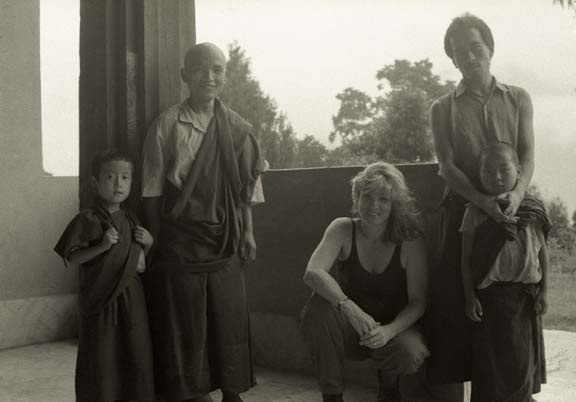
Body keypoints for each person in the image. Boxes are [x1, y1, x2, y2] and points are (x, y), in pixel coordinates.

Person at [141, 42, 264, 402]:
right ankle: (193, 391)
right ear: (184, 76)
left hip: (227, 236)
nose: (209, 77)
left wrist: (249, 233)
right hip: (181, 238)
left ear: (225, 75)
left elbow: (246, 189)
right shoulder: (167, 125)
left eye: (217, 70)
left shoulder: (239, 128)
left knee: (230, 317)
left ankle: (232, 389)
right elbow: (151, 191)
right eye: (199, 69)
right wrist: (153, 242)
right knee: (187, 320)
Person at [428, 13, 536, 385]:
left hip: (513, 209)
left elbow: (526, 154)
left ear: (490, 49)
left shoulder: (518, 98)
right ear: (453, 60)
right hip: (465, 211)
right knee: (466, 312)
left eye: (477, 48)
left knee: (517, 307)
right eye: (461, 52)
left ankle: (520, 389)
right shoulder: (442, 108)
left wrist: (517, 196)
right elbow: (447, 166)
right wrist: (481, 201)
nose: (471, 57)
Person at [301, 162, 430, 402]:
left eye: (384, 199)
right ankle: (332, 395)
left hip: (393, 328)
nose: (374, 206)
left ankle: (389, 387)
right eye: (367, 197)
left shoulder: (410, 240)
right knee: (319, 308)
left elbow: (418, 301)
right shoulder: (342, 228)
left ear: (395, 204)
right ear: (356, 197)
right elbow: (313, 272)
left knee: (410, 352)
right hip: (351, 326)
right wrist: (349, 308)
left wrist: (388, 331)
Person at [54, 150, 155, 402]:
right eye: (110, 177)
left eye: (125, 177)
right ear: (95, 183)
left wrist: (150, 243)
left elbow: (139, 263)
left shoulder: (131, 218)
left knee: (135, 350)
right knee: (102, 355)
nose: (118, 184)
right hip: (101, 299)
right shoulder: (87, 218)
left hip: (132, 296)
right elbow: (73, 257)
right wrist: (101, 246)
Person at [461, 142, 549, 402]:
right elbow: (465, 258)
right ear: (479, 174)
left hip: (524, 298)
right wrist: (469, 296)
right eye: (488, 171)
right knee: (489, 363)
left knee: (522, 360)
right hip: (489, 300)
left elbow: (542, 253)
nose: (496, 177)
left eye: (504, 169)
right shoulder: (474, 212)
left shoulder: (532, 209)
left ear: (519, 171)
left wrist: (545, 291)